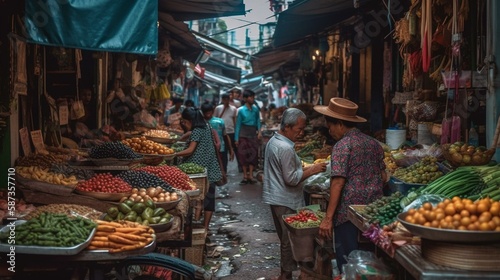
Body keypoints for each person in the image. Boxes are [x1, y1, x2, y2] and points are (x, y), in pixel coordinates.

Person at [314, 98, 387, 272]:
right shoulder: (374, 144)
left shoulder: (342, 146)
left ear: (339, 124)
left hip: (347, 216)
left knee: (348, 263)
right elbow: (384, 176)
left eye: (330, 126)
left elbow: (338, 182)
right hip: (373, 213)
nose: (329, 131)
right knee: (369, 263)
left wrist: (328, 219)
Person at [262, 108, 328, 280]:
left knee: (285, 238)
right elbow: (291, 179)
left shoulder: (274, 141)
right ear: (288, 127)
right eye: (298, 129)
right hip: (285, 199)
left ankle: (287, 273)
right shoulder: (285, 148)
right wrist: (313, 169)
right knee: (288, 240)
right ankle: (286, 275)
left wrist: (303, 168)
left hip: (276, 197)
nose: (300, 133)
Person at [175, 107, 223, 230]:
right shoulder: (207, 127)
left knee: (194, 198)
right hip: (210, 167)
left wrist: (173, 154)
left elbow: (190, 150)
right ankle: (205, 227)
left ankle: (194, 223)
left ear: (190, 120)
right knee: (209, 198)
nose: (184, 124)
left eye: (184, 122)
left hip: (199, 170)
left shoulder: (197, 130)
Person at [234, 90, 261, 184]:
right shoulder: (240, 110)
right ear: (245, 99)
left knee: (253, 155)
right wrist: (236, 139)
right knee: (243, 155)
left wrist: (259, 132)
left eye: (253, 97)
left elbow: (258, 121)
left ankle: (251, 175)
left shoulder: (256, 109)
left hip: (253, 133)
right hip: (243, 134)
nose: (252, 99)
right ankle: (245, 175)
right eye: (250, 97)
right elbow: (237, 125)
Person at [201, 102, 234, 173]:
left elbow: (225, 135)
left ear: (212, 111)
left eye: (209, 111)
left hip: (220, 149)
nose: (208, 113)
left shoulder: (220, 121)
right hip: (205, 150)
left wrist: (230, 149)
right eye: (206, 112)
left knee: (221, 170)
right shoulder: (201, 122)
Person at [214, 93, 239, 172]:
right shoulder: (218, 108)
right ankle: (223, 169)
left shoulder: (234, 109)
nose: (226, 101)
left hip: (231, 132)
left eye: (227, 99)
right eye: (224, 99)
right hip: (221, 133)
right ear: (222, 100)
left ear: (229, 99)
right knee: (223, 151)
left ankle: (240, 167)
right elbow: (215, 119)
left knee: (235, 150)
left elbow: (235, 121)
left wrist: (236, 134)